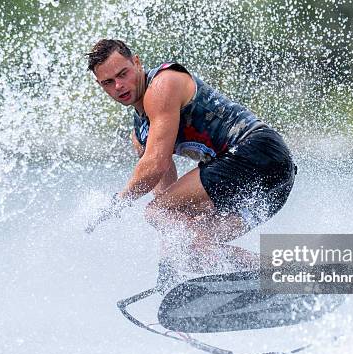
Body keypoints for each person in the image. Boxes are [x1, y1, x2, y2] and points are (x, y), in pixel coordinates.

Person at [85, 39, 296, 274]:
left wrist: (118, 202)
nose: (119, 86)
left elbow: (156, 165)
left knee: (156, 212)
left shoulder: (163, 84)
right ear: (100, 85)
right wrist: (168, 260)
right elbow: (168, 199)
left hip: (257, 151)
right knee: (192, 249)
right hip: (270, 186)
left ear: (137, 63)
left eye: (123, 74)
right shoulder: (141, 135)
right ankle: (290, 275)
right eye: (108, 82)